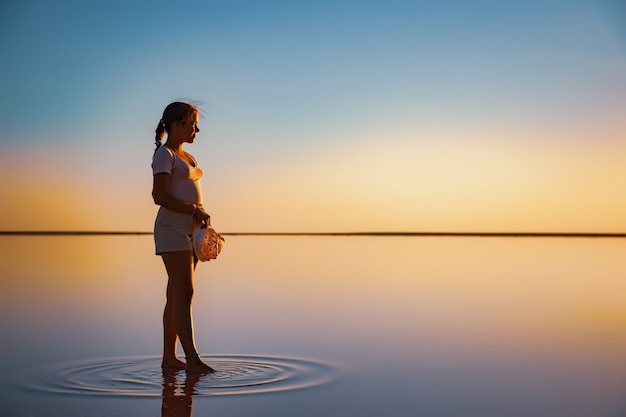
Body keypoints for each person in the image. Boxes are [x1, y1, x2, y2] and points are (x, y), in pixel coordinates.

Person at [151, 101, 215, 374]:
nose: (196, 129)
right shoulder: (165, 155)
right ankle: (192, 359)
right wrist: (192, 209)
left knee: (175, 295)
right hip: (172, 228)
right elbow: (159, 196)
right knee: (184, 292)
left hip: (191, 229)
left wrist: (198, 216)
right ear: (177, 124)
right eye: (192, 123)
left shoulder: (188, 157)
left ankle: (169, 358)